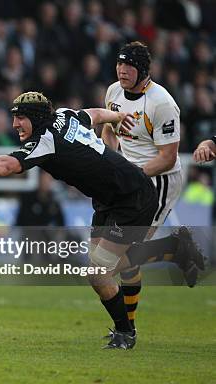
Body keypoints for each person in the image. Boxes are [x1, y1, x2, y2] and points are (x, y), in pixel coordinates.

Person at [0, 91, 203, 349]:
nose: (15, 123)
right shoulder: (64, 115)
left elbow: (8, 165)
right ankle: (166, 258)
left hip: (132, 197)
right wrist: (116, 117)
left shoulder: (45, 139)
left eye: (21, 117)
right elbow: (94, 115)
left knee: (98, 272)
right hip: (109, 198)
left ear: (37, 118)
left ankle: (128, 327)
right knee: (101, 270)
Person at [101, 41, 190, 336]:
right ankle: (128, 327)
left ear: (142, 71)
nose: (122, 70)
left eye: (129, 66)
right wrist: (108, 164)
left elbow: (167, 158)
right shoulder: (114, 92)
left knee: (115, 260)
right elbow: (108, 129)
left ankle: (172, 247)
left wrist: (131, 174)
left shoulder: (161, 103)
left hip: (159, 181)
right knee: (122, 258)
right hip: (129, 177)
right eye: (119, 64)